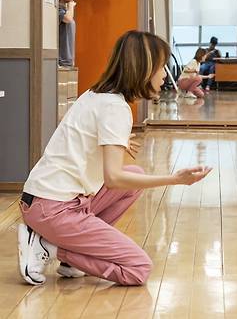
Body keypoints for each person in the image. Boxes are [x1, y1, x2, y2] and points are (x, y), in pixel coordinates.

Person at [17, 30, 212, 286]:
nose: (165, 74)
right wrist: (175, 179)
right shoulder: (115, 108)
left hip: (42, 200)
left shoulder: (97, 94)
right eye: (161, 66)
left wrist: (115, 140)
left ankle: (67, 256)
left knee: (136, 176)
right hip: (54, 210)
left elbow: (82, 137)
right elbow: (113, 178)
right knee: (138, 269)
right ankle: (52, 248)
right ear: (144, 68)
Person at [58, 0, 77, 67]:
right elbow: (67, 19)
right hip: (62, 60)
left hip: (68, 59)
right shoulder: (58, 10)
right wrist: (71, 6)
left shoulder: (64, 10)